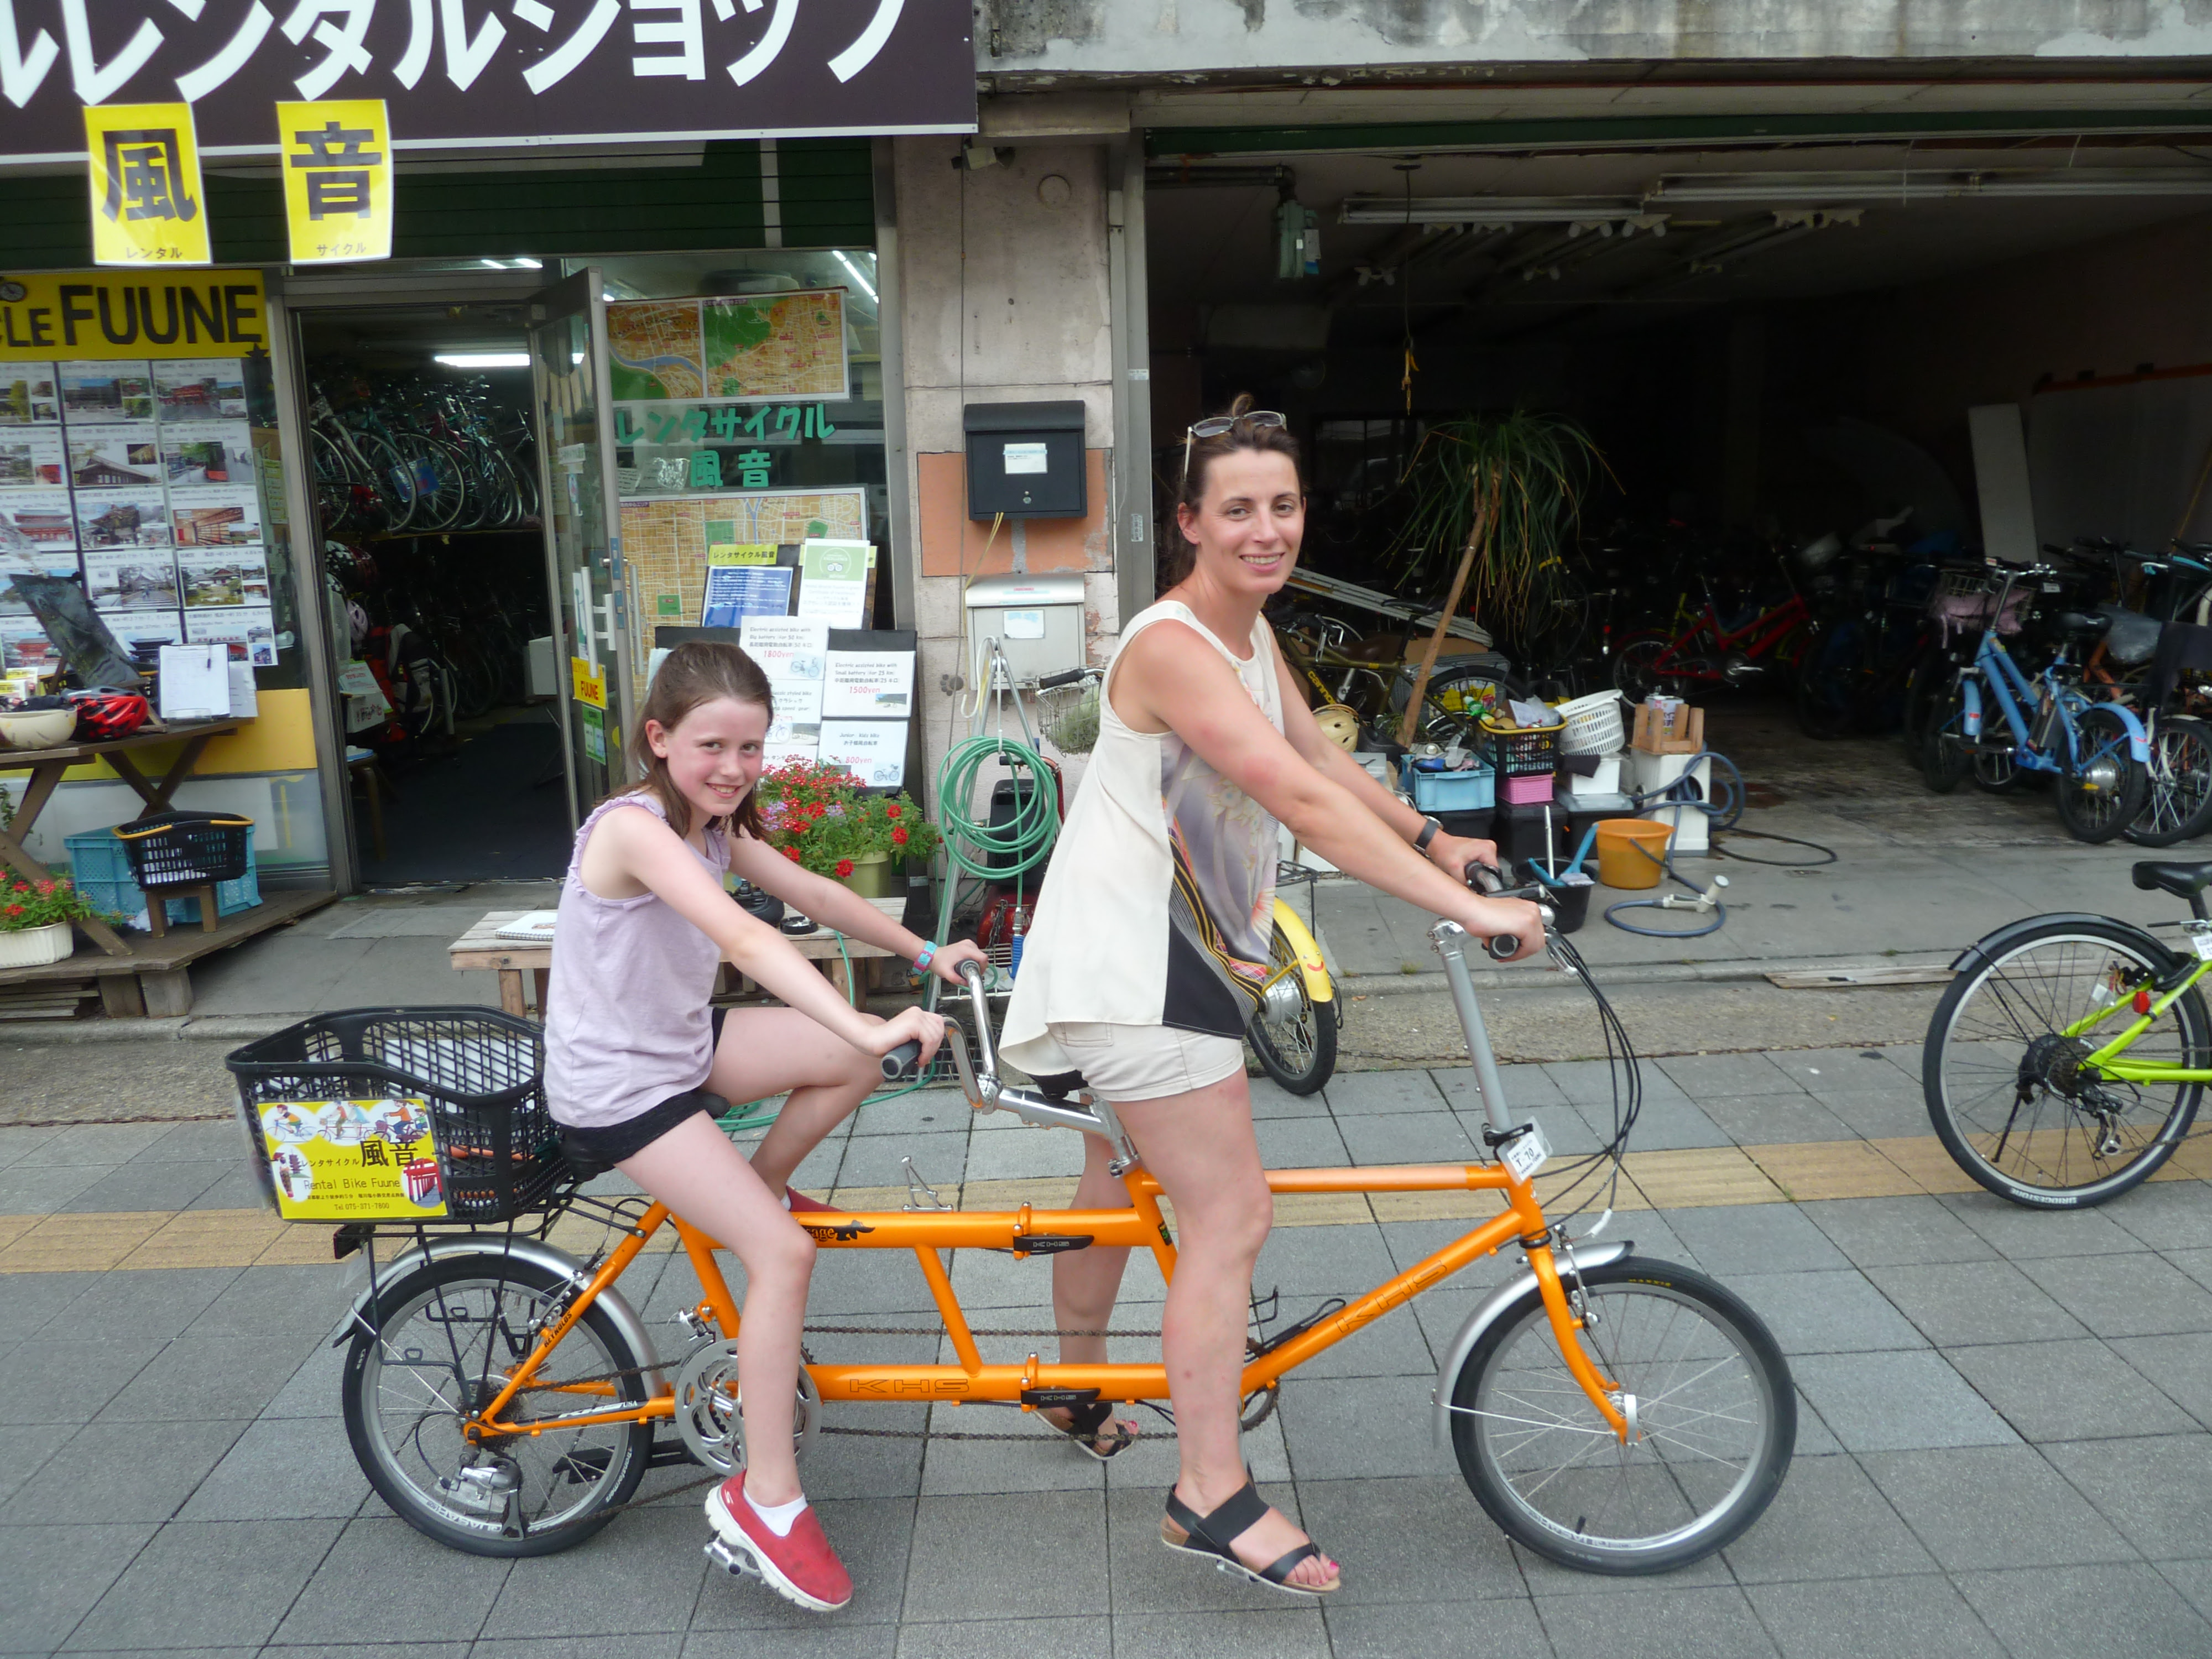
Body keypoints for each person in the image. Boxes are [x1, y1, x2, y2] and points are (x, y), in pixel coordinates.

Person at [999, 397, 1546, 1596]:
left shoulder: (1249, 633)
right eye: (1235, 509)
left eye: (1282, 506)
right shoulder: (1170, 646)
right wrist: (1469, 910)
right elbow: (1291, 805)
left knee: (1115, 1178)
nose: (1263, 529)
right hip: (1135, 966)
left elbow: (1317, 759)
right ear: (1187, 523)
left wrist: (1431, 837)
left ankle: (1073, 1380)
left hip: (1170, 955)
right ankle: (1207, 1490)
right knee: (1229, 1213)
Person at [543, 641, 988, 1613]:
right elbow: (746, 937)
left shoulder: (711, 824)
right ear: (658, 739)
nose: (734, 769)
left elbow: (816, 896)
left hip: (679, 1045)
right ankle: (766, 1498)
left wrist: (927, 951)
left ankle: (760, 1188)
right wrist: (867, 1016)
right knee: (783, 1257)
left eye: (752, 748)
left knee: (854, 1061)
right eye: (713, 746)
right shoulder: (634, 830)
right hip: (620, 1087)